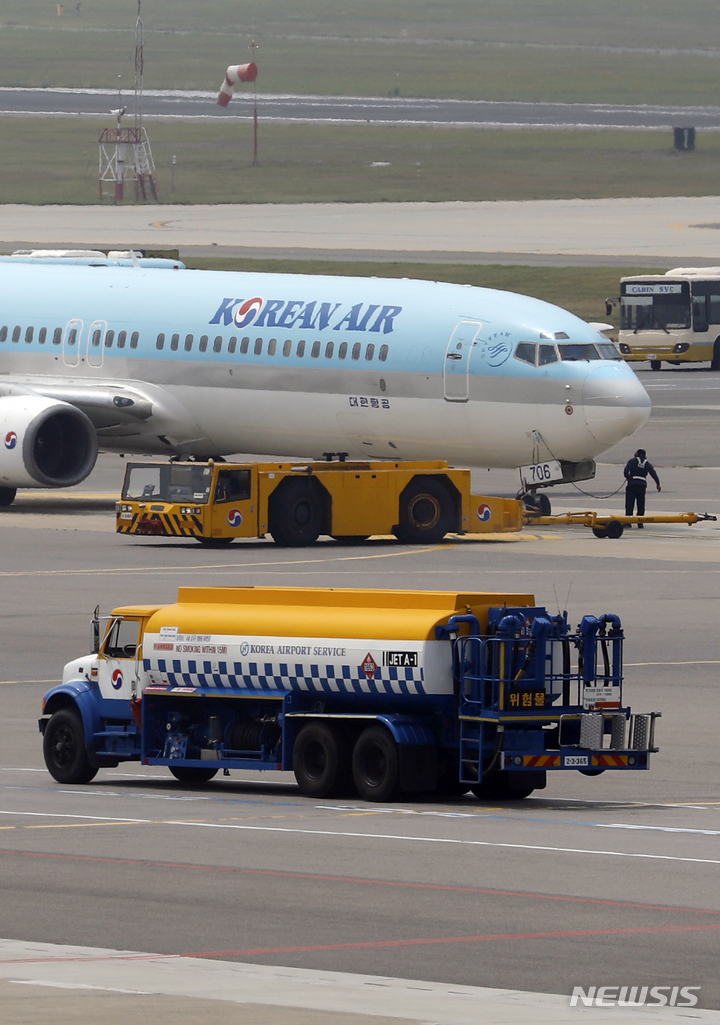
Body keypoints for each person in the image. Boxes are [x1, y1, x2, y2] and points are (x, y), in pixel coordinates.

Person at [624, 449, 661, 527]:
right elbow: (653, 474)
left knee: (630, 503)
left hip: (632, 484)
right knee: (641, 503)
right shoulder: (647, 463)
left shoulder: (632, 461)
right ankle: (640, 522)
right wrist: (658, 484)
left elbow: (626, 471)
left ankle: (628, 521)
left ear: (636, 454)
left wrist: (628, 478)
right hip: (642, 485)